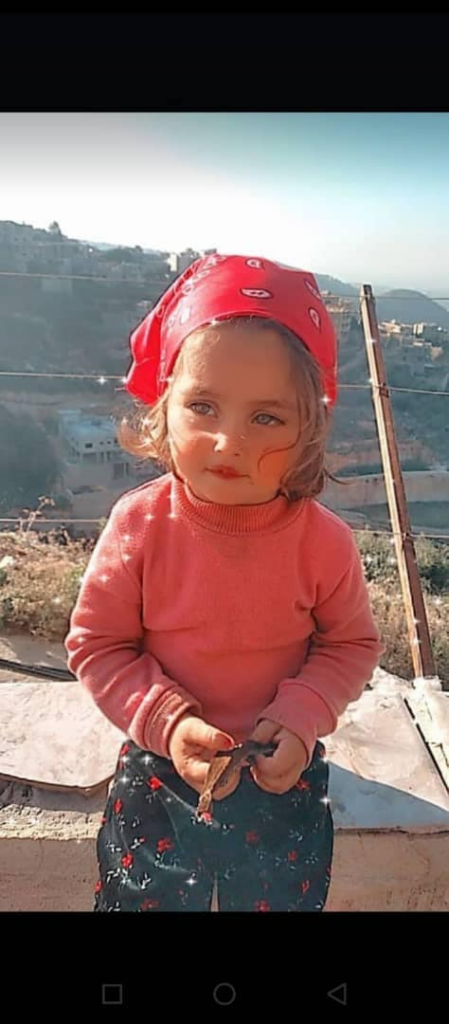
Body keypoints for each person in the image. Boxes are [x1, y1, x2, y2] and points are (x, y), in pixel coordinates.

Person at [64, 253, 384, 912]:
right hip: (159, 762)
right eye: (203, 406)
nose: (227, 441)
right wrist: (166, 722)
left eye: (266, 418)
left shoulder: (323, 542)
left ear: (308, 429)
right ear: (164, 408)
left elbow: (349, 645)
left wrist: (300, 719)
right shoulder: (139, 526)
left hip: (280, 768)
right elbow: (98, 646)